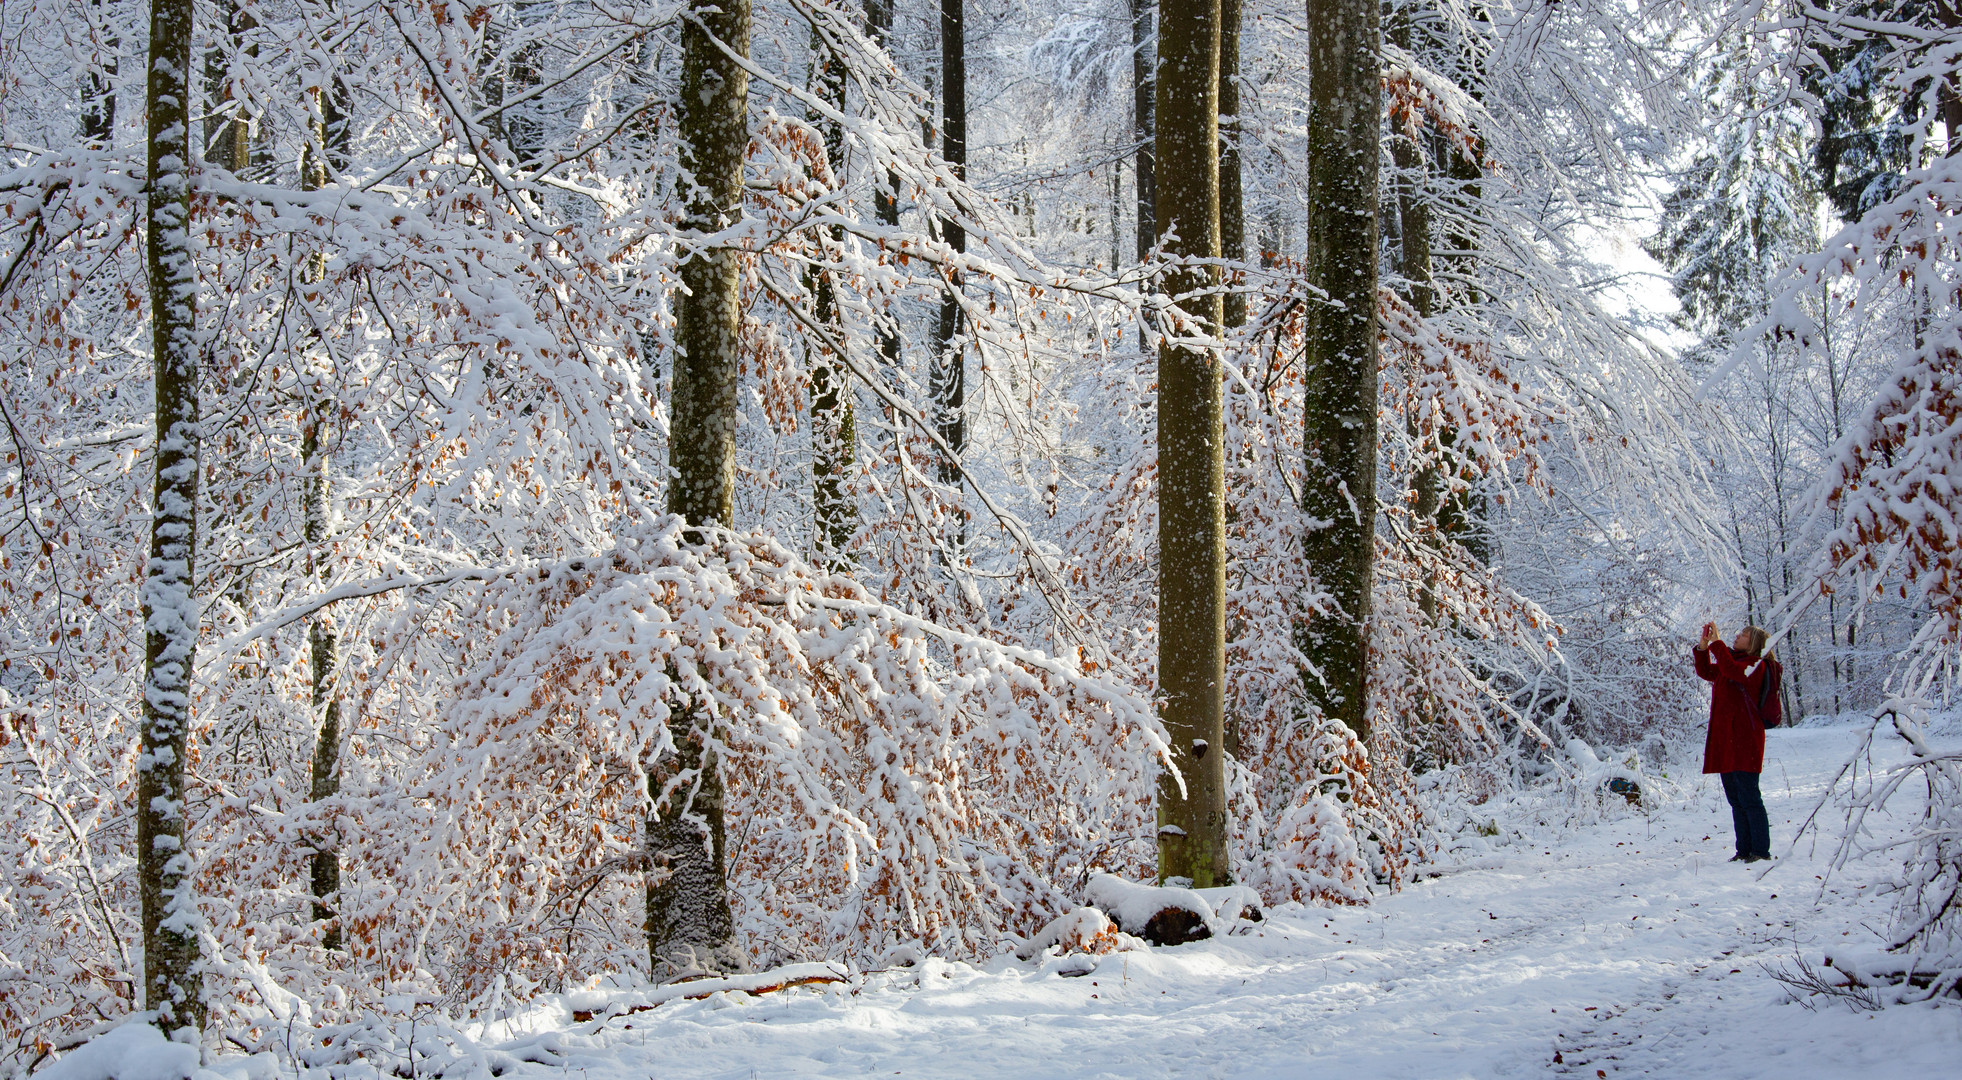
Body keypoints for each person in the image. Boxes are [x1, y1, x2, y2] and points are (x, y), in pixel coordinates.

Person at [1694, 622, 1780, 863]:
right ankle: (1744, 850)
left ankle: (1760, 851)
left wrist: (1717, 644)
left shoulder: (1755, 666)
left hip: (1745, 741)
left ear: (1753, 643)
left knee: (1750, 796)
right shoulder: (1733, 662)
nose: (1738, 635)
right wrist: (1703, 648)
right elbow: (1708, 672)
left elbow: (1732, 671)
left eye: (1743, 635)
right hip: (1727, 741)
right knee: (1735, 798)